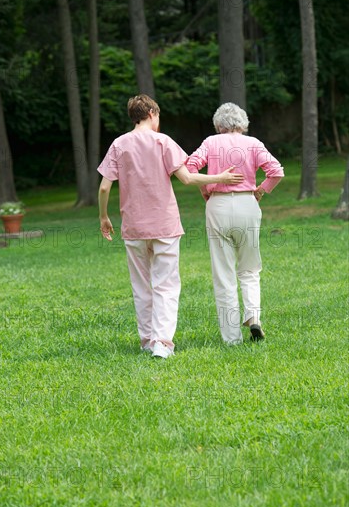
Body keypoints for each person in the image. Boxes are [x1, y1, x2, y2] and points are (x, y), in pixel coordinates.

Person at [97, 95, 244, 358]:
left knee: (141, 285)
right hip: (164, 225)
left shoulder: (119, 144)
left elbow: (105, 186)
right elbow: (187, 179)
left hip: (134, 227)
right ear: (152, 113)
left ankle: (146, 341)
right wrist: (220, 177)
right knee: (166, 284)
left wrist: (103, 217)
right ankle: (162, 343)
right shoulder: (162, 141)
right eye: (158, 115)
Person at [186, 102, 284, 345]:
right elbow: (277, 171)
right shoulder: (253, 143)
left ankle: (232, 338)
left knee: (224, 273)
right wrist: (261, 190)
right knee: (250, 269)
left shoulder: (210, 142)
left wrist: (206, 188)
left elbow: (189, 168)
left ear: (219, 125)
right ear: (243, 123)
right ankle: (253, 317)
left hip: (217, 206)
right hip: (247, 205)